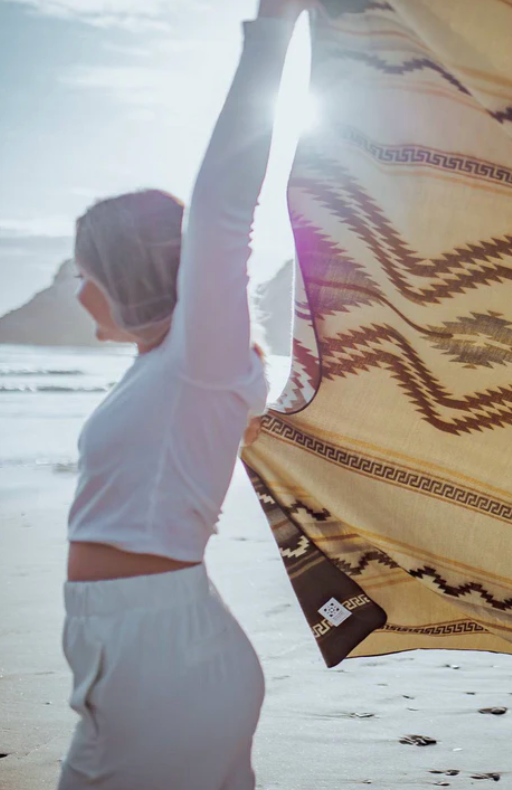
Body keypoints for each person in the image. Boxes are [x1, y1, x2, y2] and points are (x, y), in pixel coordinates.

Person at [59, 2, 312, 787]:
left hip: (158, 659)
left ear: (122, 273)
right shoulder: (163, 368)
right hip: (141, 656)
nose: (77, 293)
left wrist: (270, 33)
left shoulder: (198, 361)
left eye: (83, 273)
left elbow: (223, 213)